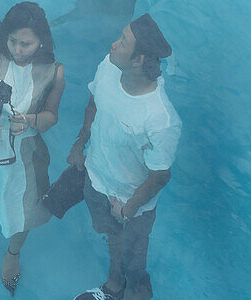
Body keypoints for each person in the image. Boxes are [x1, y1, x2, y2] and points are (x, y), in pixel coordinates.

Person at [68, 15, 181, 300]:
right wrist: (79, 145)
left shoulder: (160, 119)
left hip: (133, 205)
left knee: (135, 266)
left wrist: (128, 209)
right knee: (112, 238)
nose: (113, 44)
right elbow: (94, 104)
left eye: (123, 42)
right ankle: (112, 288)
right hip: (97, 180)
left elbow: (160, 175)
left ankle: (129, 290)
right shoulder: (108, 66)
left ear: (138, 61)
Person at [0, 2, 65, 295]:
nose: (17, 49)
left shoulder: (54, 72)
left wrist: (31, 120)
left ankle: (12, 254)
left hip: (25, 153)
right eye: (13, 41)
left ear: (41, 40)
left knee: (23, 210)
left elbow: (51, 117)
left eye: (26, 44)